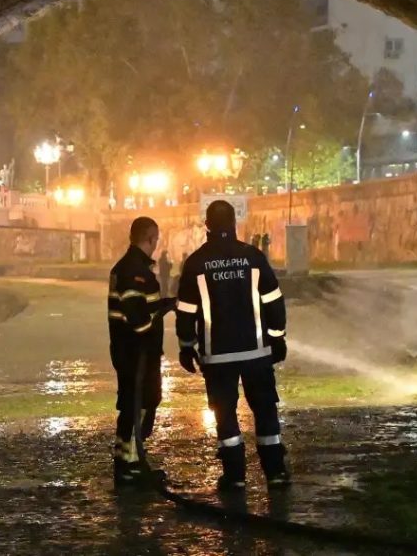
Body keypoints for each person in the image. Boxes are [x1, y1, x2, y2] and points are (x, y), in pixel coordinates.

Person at [176, 200, 290, 491]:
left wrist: (187, 346)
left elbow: (186, 311)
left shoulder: (196, 263)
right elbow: (274, 301)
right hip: (257, 354)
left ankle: (235, 476)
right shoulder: (253, 257)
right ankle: (275, 473)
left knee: (224, 416)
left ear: (207, 226)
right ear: (234, 223)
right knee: (265, 411)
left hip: (217, 358)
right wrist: (277, 337)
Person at [108, 217, 176, 485]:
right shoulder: (134, 271)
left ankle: (126, 461)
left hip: (131, 351)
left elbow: (144, 306)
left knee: (133, 404)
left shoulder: (129, 267)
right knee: (140, 404)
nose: (157, 244)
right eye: (155, 239)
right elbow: (138, 316)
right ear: (150, 238)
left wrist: (167, 304)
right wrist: (157, 319)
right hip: (137, 352)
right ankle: (132, 466)